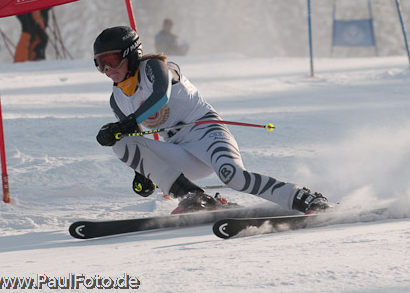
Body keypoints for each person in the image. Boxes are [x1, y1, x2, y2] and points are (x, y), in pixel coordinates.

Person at [93, 26, 329, 214]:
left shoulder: (156, 67)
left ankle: (300, 197)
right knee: (121, 142)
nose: (107, 69)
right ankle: (193, 196)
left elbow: (160, 97)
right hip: (180, 152)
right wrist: (142, 174)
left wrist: (123, 125)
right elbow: (135, 140)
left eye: (111, 60)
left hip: (207, 133)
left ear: (131, 54)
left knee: (233, 176)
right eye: (99, 64)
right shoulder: (117, 99)